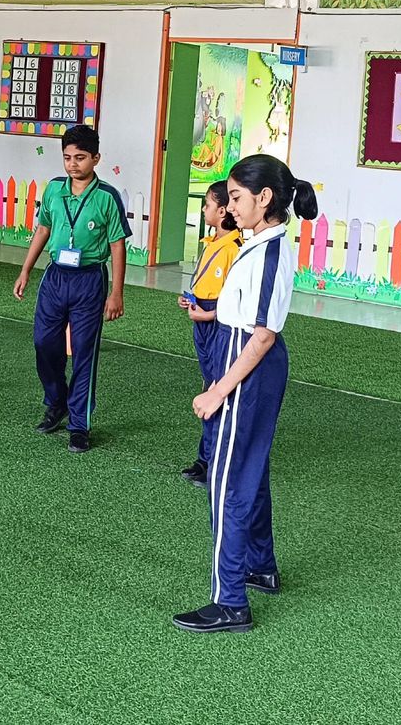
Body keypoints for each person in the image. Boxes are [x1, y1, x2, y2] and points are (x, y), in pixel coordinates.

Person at [172, 155, 317, 634]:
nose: (229, 206)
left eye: (235, 197)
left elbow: (262, 336)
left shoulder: (271, 253)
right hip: (236, 352)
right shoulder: (254, 243)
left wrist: (218, 390)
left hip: (247, 363)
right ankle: (261, 567)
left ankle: (230, 602)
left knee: (227, 480)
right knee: (249, 470)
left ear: (264, 198)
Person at [13, 124, 130, 453]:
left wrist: (116, 293)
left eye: (80, 157)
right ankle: (56, 401)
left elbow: (117, 246)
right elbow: (43, 229)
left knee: (83, 353)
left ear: (96, 159)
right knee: (43, 342)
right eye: (67, 157)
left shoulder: (107, 197)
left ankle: (79, 425)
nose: (73, 164)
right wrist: (25, 270)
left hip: (90, 280)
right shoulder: (54, 190)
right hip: (55, 277)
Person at [179, 181, 242, 488]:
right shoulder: (211, 242)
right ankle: (205, 459)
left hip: (218, 323)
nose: (203, 209)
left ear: (222, 210)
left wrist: (208, 314)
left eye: (207, 204)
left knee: (218, 390)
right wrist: (191, 300)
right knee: (209, 385)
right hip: (202, 321)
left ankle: (214, 461)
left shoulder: (235, 249)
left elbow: (235, 300)